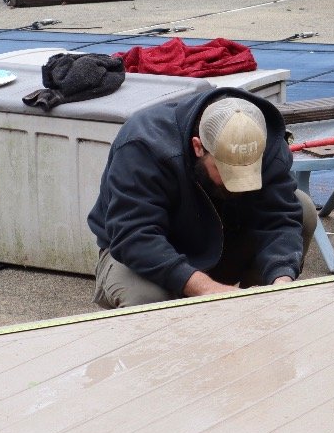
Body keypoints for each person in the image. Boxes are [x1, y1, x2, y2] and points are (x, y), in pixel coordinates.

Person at [88, 90, 317, 308]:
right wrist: (206, 288)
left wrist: (281, 278)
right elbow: (134, 237)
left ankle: (254, 310)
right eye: (226, 171)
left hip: (221, 240)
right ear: (198, 147)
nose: (237, 184)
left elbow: (279, 218)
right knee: (146, 299)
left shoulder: (264, 141)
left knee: (303, 208)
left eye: (248, 172)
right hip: (144, 253)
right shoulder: (142, 145)